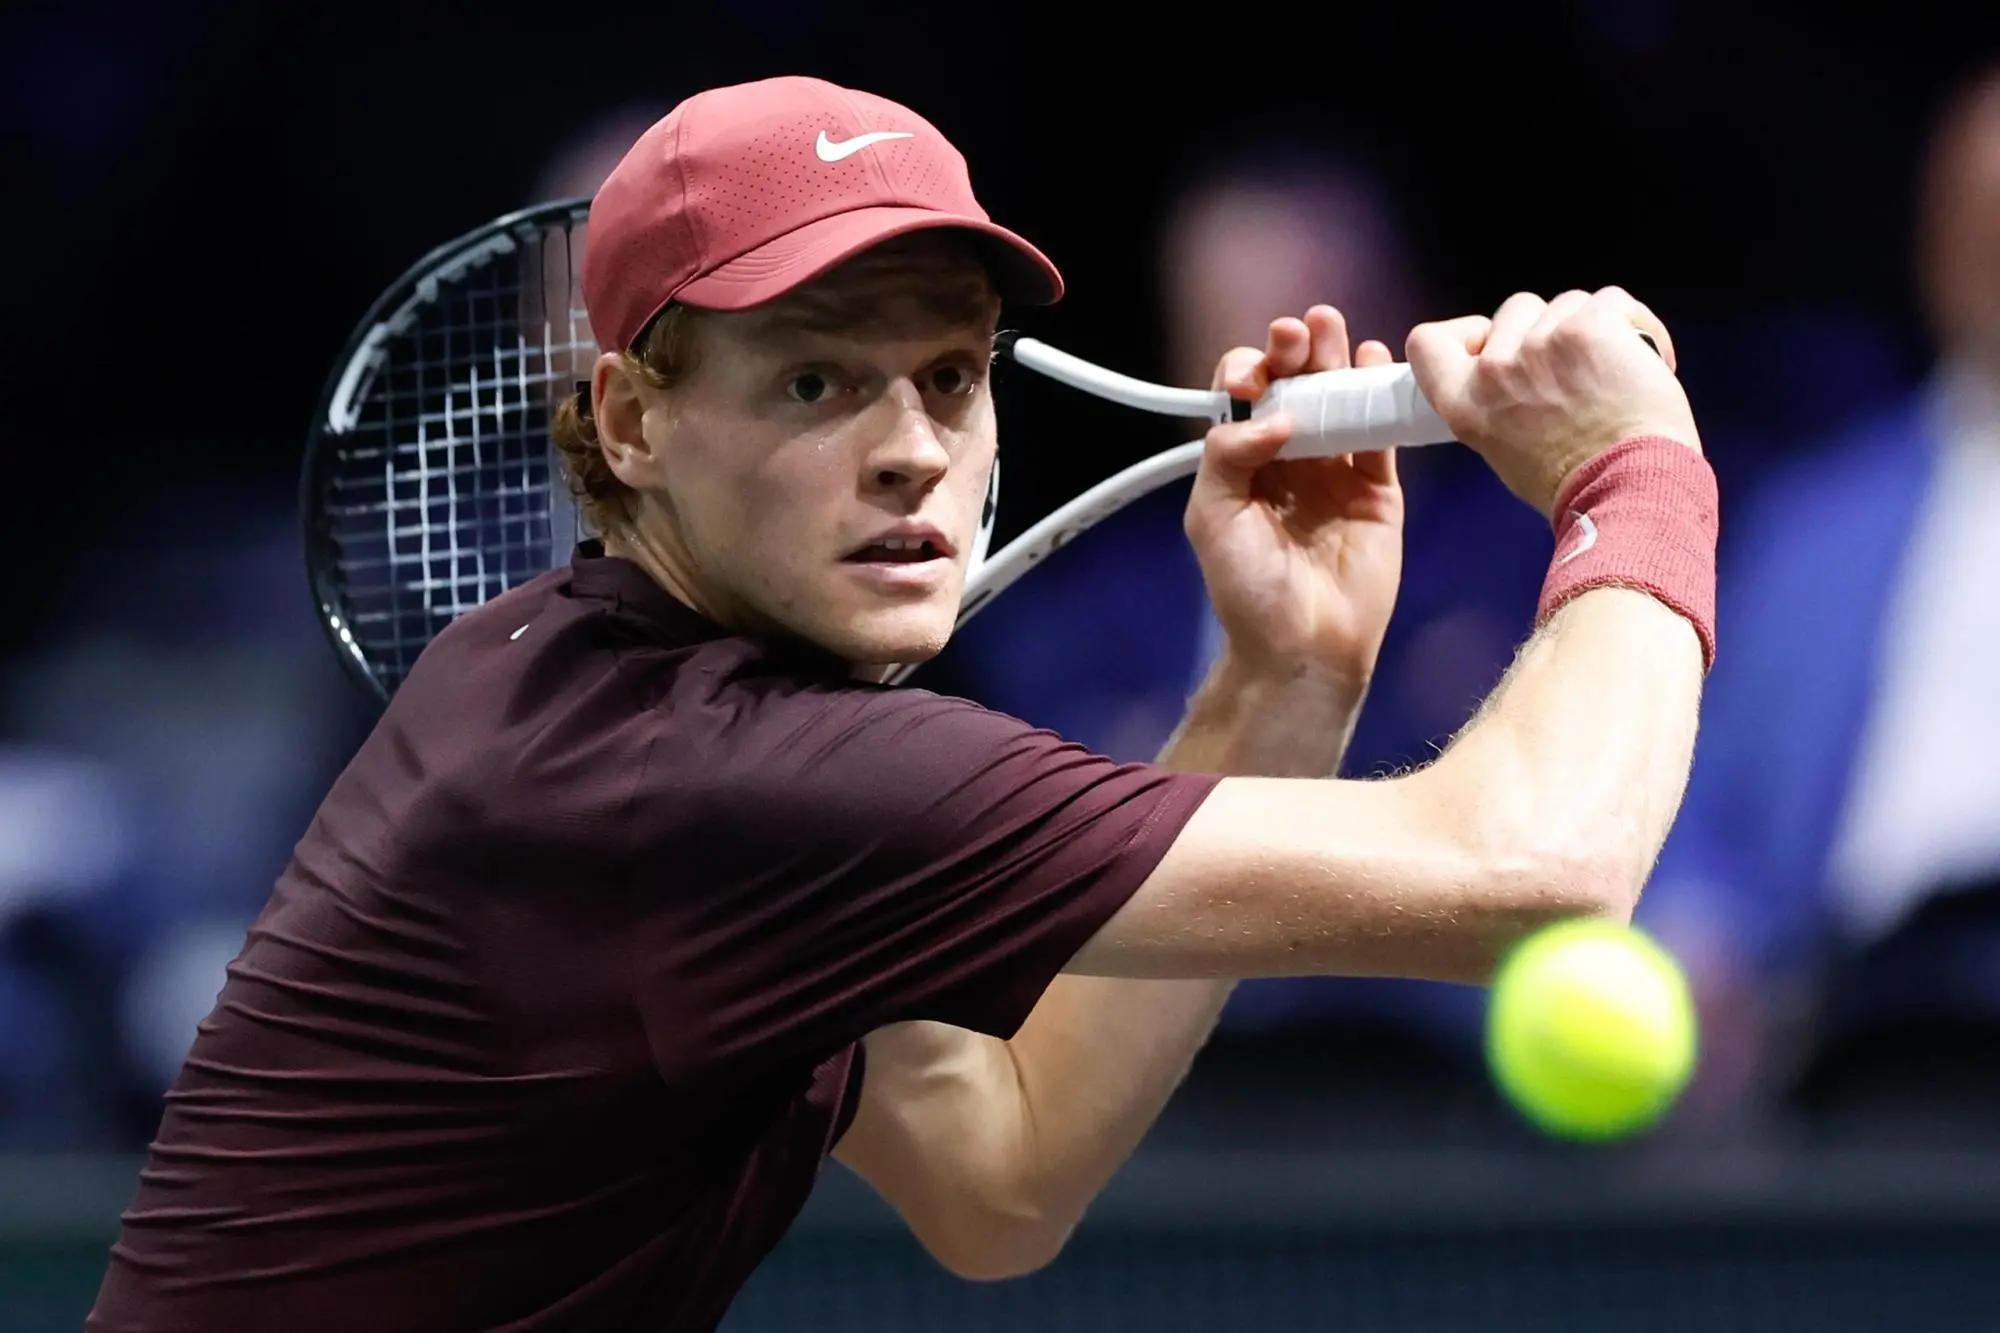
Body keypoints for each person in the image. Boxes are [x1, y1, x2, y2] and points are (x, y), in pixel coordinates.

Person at [89, 75, 1716, 1332]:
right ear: (631, 423)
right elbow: (1541, 877)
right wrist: (1638, 476)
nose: (911, 447)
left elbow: (996, 1172)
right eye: (813, 381)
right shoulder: (724, 780)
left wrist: (1283, 681)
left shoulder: (568, 683)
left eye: (949, 376)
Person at [1640, 61, 2000, 1139]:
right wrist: (1698, 949)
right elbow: (1693, 817)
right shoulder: (1814, 532)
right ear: (1934, 252)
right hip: (1848, 1046)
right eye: (1982, 225)